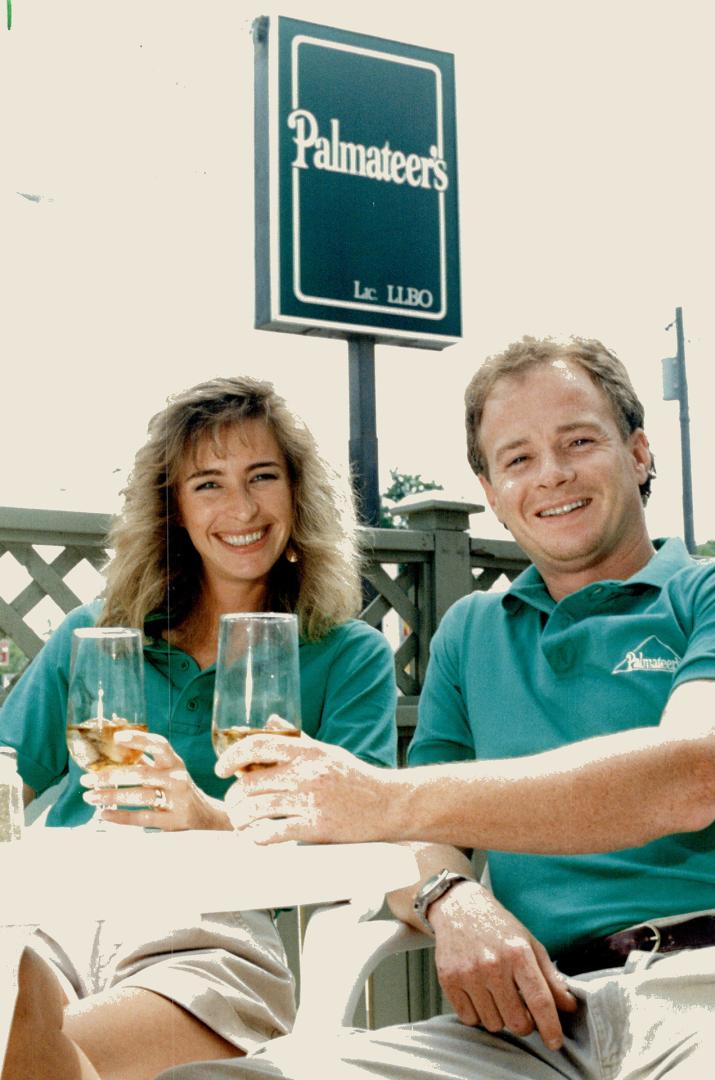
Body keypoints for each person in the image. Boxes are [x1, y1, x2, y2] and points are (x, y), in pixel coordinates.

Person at [153, 336, 715, 1079]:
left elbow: (688, 775)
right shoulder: (470, 633)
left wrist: (376, 797)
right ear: (489, 490)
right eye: (515, 458)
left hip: (694, 988)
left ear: (638, 453)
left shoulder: (700, 594)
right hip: (536, 1019)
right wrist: (450, 897)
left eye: (577, 442)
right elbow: (420, 839)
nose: (550, 474)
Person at [0, 375, 397, 1080]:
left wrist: (206, 818)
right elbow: (7, 769)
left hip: (204, 928)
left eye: (262, 476)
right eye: (207, 483)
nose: (240, 508)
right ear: (174, 508)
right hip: (57, 909)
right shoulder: (94, 636)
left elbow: (358, 843)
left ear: (297, 492)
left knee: (38, 1057)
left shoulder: (347, 655)